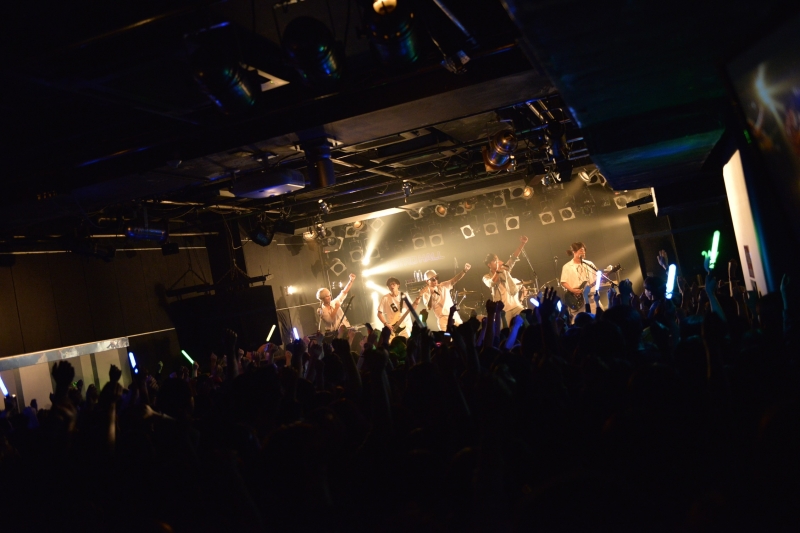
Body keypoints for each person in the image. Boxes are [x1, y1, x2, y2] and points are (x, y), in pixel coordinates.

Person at [483, 235, 528, 324]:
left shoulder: (504, 270)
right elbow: (491, 283)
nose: (497, 262)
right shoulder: (486, 277)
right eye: (494, 260)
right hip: (503, 310)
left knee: (527, 322)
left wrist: (522, 244)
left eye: (497, 260)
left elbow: (513, 259)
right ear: (489, 264)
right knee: (506, 329)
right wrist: (498, 270)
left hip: (516, 306)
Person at [420, 264, 471, 331]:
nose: (435, 280)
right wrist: (431, 295)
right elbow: (429, 307)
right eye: (433, 279)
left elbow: (454, 280)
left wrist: (464, 270)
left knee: (463, 333)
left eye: (436, 278)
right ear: (427, 281)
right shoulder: (426, 293)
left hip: (454, 315)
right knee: (448, 337)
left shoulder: (443, 285)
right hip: (443, 319)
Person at [560, 241, 598, 322]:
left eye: (584, 250)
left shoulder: (589, 264)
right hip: (577, 299)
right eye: (581, 250)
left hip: (591, 298)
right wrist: (572, 290)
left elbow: (597, 277)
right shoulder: (567, 266)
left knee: (596, 320)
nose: (583, 252)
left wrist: (601, 279)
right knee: (580, 322)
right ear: (574, 251)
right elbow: (563, 282)